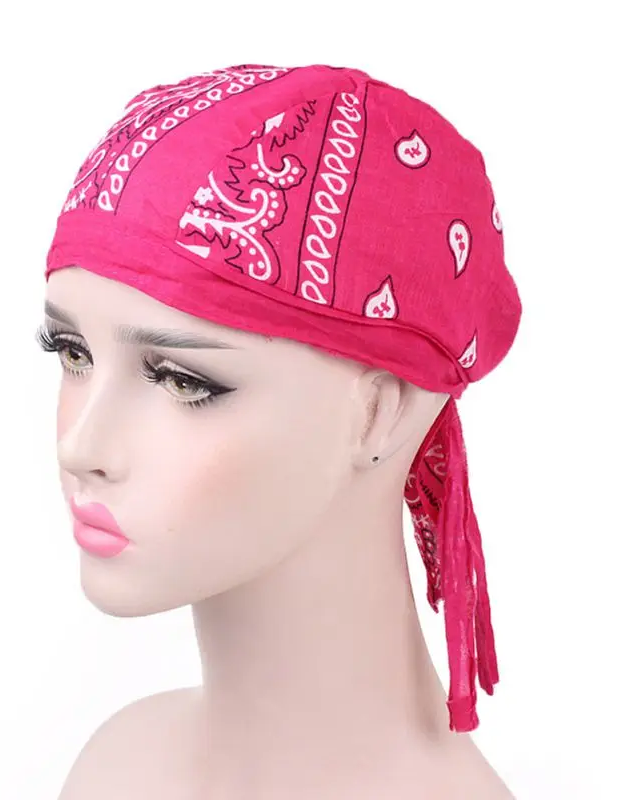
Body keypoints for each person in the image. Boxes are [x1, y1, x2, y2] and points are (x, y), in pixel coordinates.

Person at [37, 63, 522, 799]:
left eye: (182, 380)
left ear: (378, 413)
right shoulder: (117, 766)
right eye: (73, 353)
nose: (81, 447)